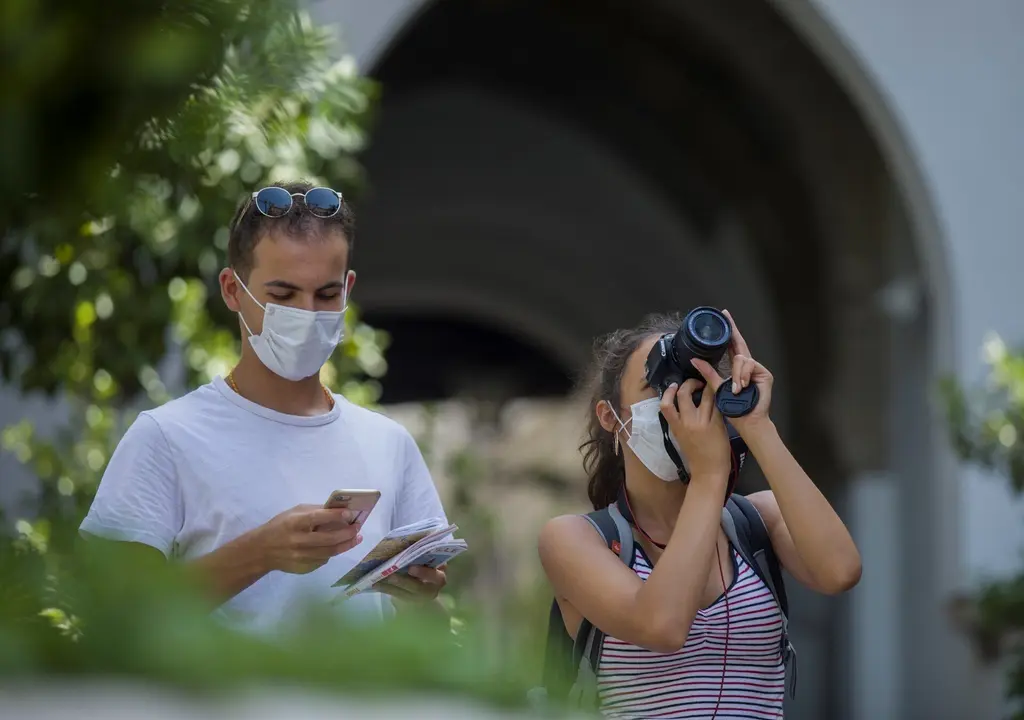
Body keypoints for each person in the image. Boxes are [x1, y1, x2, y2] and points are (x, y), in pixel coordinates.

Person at [80, 181, 448, 633]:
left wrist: (421, 599)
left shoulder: (389, 443)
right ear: (232, 290)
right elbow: (114, 618)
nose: (307, 314)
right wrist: (260, 552)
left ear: (348, 289)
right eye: (283, 295)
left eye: (326, 295)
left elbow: (427, 631)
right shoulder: (167, 437)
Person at [538, 311, 862, 719]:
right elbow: (662, 626)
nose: (677, 399)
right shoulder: (575, 539)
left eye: (694, 385)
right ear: (610, 417)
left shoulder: (757, 521)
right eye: (656, 386)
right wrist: (709, 475)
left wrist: (756, 424)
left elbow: (839, 572)